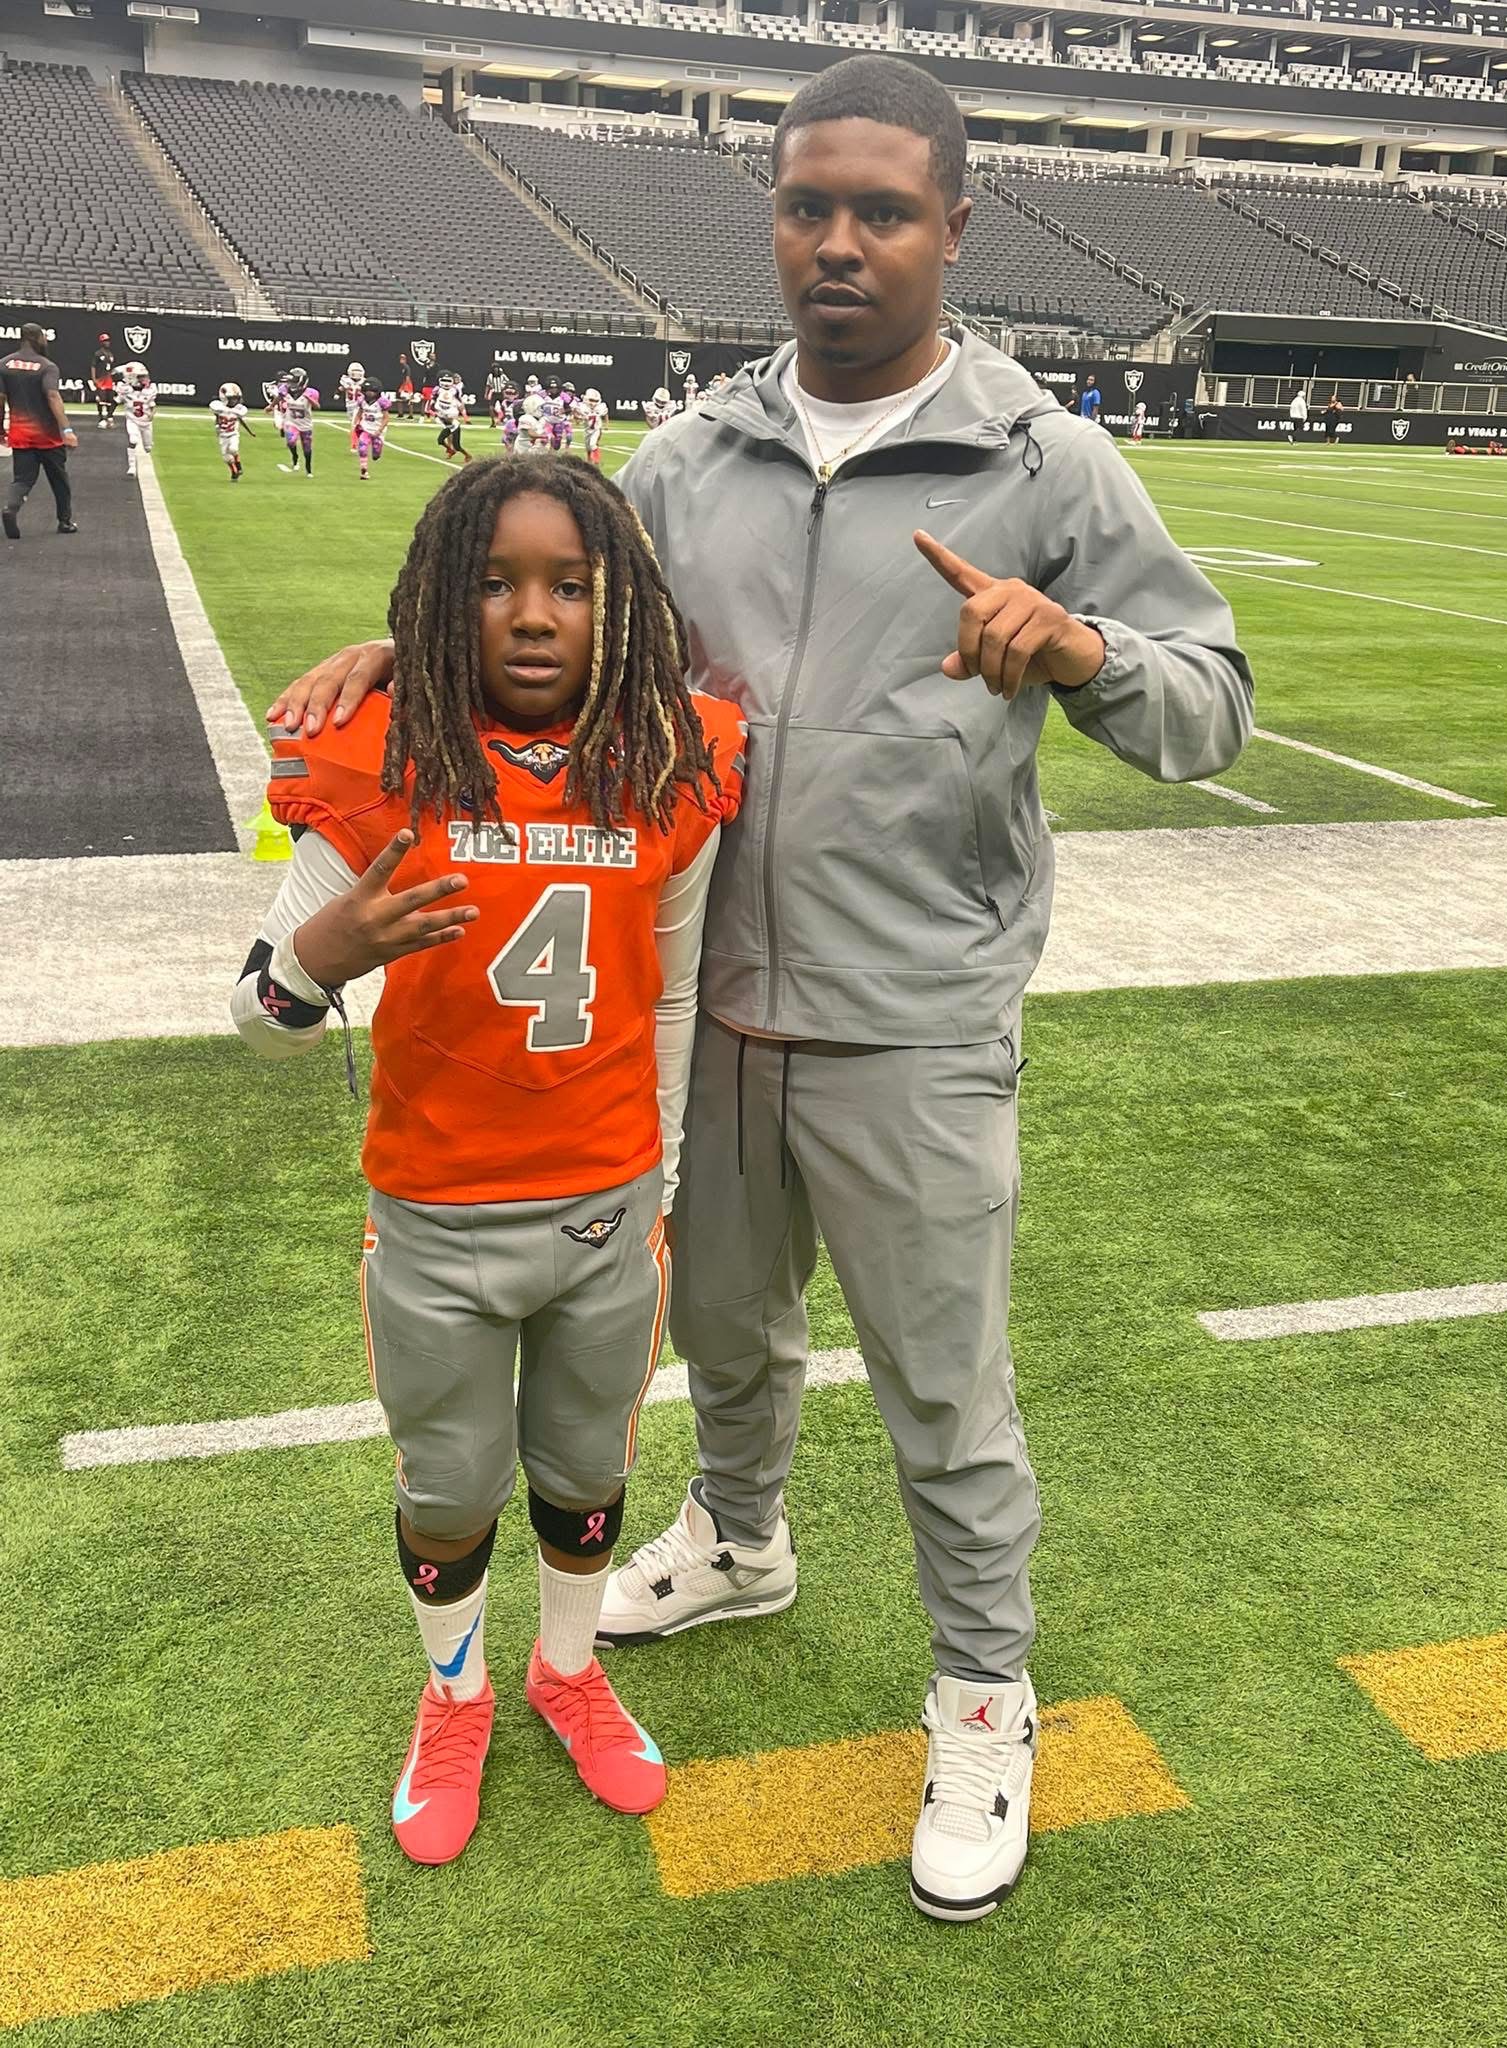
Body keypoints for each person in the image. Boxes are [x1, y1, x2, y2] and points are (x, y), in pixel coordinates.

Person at [269, 54, 1253, 1925]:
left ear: (954, 228)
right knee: (721, 1331)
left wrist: (1085, 649)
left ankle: (984, 1698)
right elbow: (550, 616)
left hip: (915, 1016)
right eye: (808, 206)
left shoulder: (1044, 461)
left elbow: (1212, 708)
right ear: (773, 220)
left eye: (883, 211)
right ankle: (738, 1537)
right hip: (703, 1005)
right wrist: (399, 655)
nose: (840, 242)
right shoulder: (683, 456)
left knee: (944, 1395)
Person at [234, 456, 747, 1866]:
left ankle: (565, 1670)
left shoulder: (667, 761)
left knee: (586, 1472)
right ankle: (453, 1690)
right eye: (494, 584)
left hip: (604, 1203)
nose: (532, 614)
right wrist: (320, 958)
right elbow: (259, 1016)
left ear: (612, 603)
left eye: (568, 586)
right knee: (450, 1487)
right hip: (437, 1213)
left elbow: (672, 994)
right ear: (441, 604)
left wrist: (662, 1175)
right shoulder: (381, 754)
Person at [1, 321, 78, 538]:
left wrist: (0, 430)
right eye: (44, 337)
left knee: (22, 480)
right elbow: (52, 395)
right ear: (37, 338)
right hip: (48, 437)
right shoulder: (47, 366)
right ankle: (64, 521)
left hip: (21, 434)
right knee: (59, 480)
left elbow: (0, 399)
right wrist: (67, 430)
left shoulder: (4, 364)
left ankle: (11, 508)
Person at [118, 361, 157, 480]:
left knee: (148, 448)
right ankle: (131, 467)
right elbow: (116, 401)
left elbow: (152, 405)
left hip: (146, 423)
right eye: (141, 377)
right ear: (132, 378)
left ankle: (148, 445)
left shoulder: (150, 389)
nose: (145, 379)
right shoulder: (125, 390)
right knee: (133, 440)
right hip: (132, 420)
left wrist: (151, 414)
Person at [278, 366, 320, 476]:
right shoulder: (285, 389)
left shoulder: (311, 392)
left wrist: (309, 398)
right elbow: (279, 396)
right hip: (291, 421)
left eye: (293, 381)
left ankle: (308, 469)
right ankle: (295, 457)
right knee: (291, 441)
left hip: (305, 423)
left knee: (307, 448)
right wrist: (271, 406)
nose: (291, 384)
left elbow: (317, 406)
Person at [210, 381, 255, 483]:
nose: (234, 401)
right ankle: (234, 473)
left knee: (233, 449)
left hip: (233, 434)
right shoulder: (219, 408)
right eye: (232, 398)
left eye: (236, 398)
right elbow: (217, 417)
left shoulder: (238, 409)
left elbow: (241, 420)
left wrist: (250, 431)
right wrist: (217, 425)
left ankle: (238, 465)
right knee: (227, 458)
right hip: (223, 436)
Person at [352, 376, 391, 481]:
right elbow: (359, 413)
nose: (369, 393)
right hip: (366, 428)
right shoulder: (362, 401)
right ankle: (364, 471)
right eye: (367, 390)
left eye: (371, 391)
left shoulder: (382, 402)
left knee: (376, 454)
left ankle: (377, 453)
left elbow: (386, 418)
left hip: (378, 429)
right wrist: (356, 423)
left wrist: (379, 430)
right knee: (362, 447)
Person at [433, 373, 470, 464]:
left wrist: (462, 415)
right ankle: (450, 450)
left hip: (453, 426)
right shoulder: (439, 393)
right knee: (440, 440)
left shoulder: (454, 396)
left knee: (457, 446)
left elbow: (459, 405)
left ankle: (467, 455)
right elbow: (434, 400)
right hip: (446, 423)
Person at [89, 332, 117, 429]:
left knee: (110, 399)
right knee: (101, 399)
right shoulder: (98, 354)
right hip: (100, 379)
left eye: (108, 340)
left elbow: (110, 368)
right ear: (101, 342)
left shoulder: (110, 354)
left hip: (109, 379)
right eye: (105, 341)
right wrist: (94, 379)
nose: (107, 342)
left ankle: (109, 417)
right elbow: (93, 366)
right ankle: (101, 419)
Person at [578, 386, 608, 467]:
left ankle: (597, 461)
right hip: (587, 430)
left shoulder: (600, 407)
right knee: (588, 447)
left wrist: (606, 424)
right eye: (591, 400)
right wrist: (579, 418)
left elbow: (605, 414)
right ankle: (589, 461)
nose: (593, 403)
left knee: (593, 444)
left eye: (595, 401)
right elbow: (576, 414)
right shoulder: (582, 407)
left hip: (596, 429)